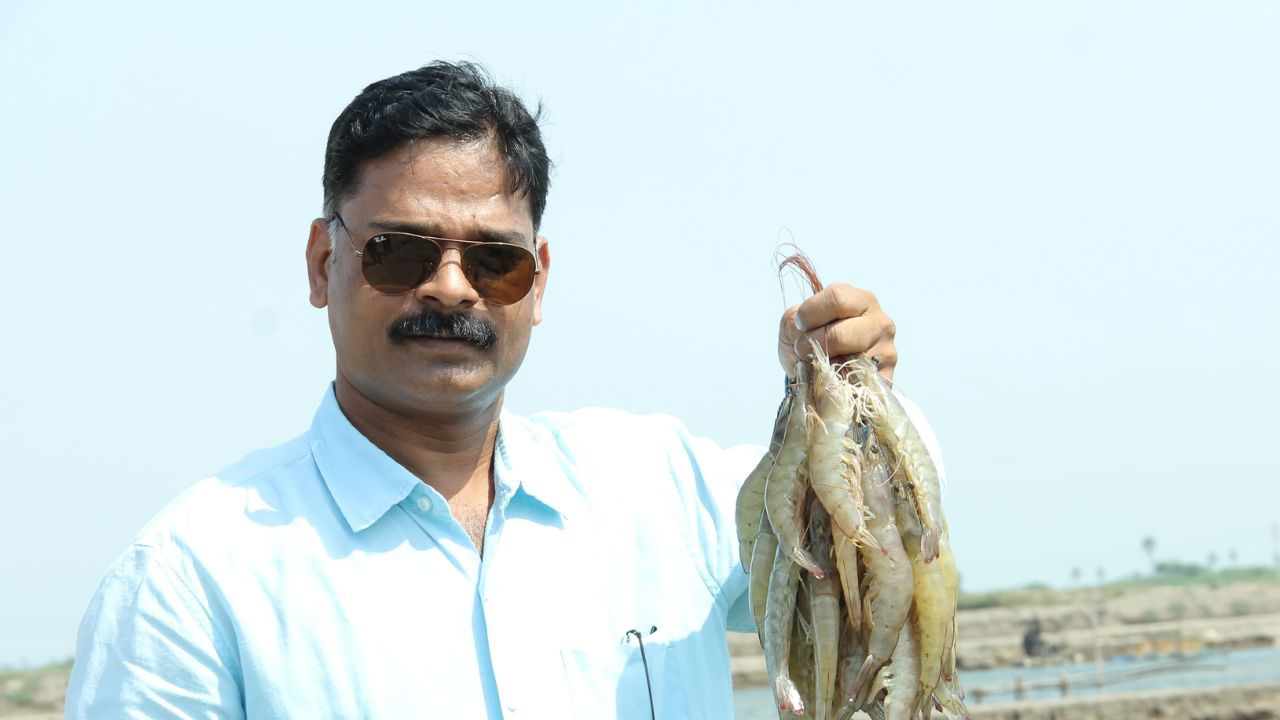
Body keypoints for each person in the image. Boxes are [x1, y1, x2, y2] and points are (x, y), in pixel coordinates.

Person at [66, 61, 918, 719]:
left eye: (493, 260)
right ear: (326, 264)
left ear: (537, 283)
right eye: (400, 251)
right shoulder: (191, 580)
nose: (450, 287)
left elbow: (889, 549)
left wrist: (855, 391)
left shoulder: (660, 488)